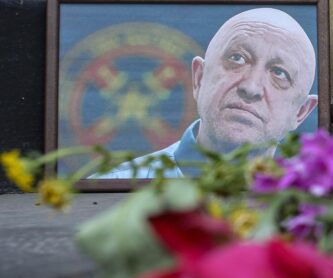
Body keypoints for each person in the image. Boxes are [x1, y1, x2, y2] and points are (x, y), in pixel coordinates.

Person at [94, 8, 318, 178]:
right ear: (199, 78)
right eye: (237, 58)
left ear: (301, 112)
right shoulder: (105, 191)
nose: (251, 88)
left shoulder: (313, 213)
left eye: (279, 73)